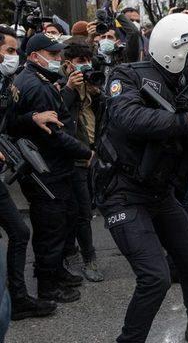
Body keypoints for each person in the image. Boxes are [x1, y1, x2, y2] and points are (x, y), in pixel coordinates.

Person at [95, 13, 188, 342]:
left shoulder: (184, 86)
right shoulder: (126, 75)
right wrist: (187, 123)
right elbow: (128, 117)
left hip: (158, 191)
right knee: (155, 277)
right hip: (122, 191)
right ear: (173, 52)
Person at [10, 33, 93, 303]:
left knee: (62, 220)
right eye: (54, 55)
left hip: (51, 166)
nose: (59, 60)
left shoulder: (31, 78)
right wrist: (86, 152)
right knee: (51, 228)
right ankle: (48, 285)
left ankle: (56, 272)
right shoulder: (37, 86)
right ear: (35, 56)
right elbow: (55, 133)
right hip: (47, 169)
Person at [0, 26, 59, 320]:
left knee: (19, 231)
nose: (15, 57)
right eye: (10, 51)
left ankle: (19, 299)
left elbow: (9, 122)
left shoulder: (6, 82)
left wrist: (32, 117)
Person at [59, 42, 104, 282]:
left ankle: (70, 251)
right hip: (72, 156)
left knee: (80, 208)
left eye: (88, 59)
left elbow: (100, 116)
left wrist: (97, 92)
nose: (84, 65)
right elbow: (58, 116)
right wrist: (68, 89)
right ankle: (89, 259)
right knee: (81, 210)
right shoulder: (58, 85)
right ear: (68, 64)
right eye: (79, 61)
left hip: (91, 153)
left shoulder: (91, 83)